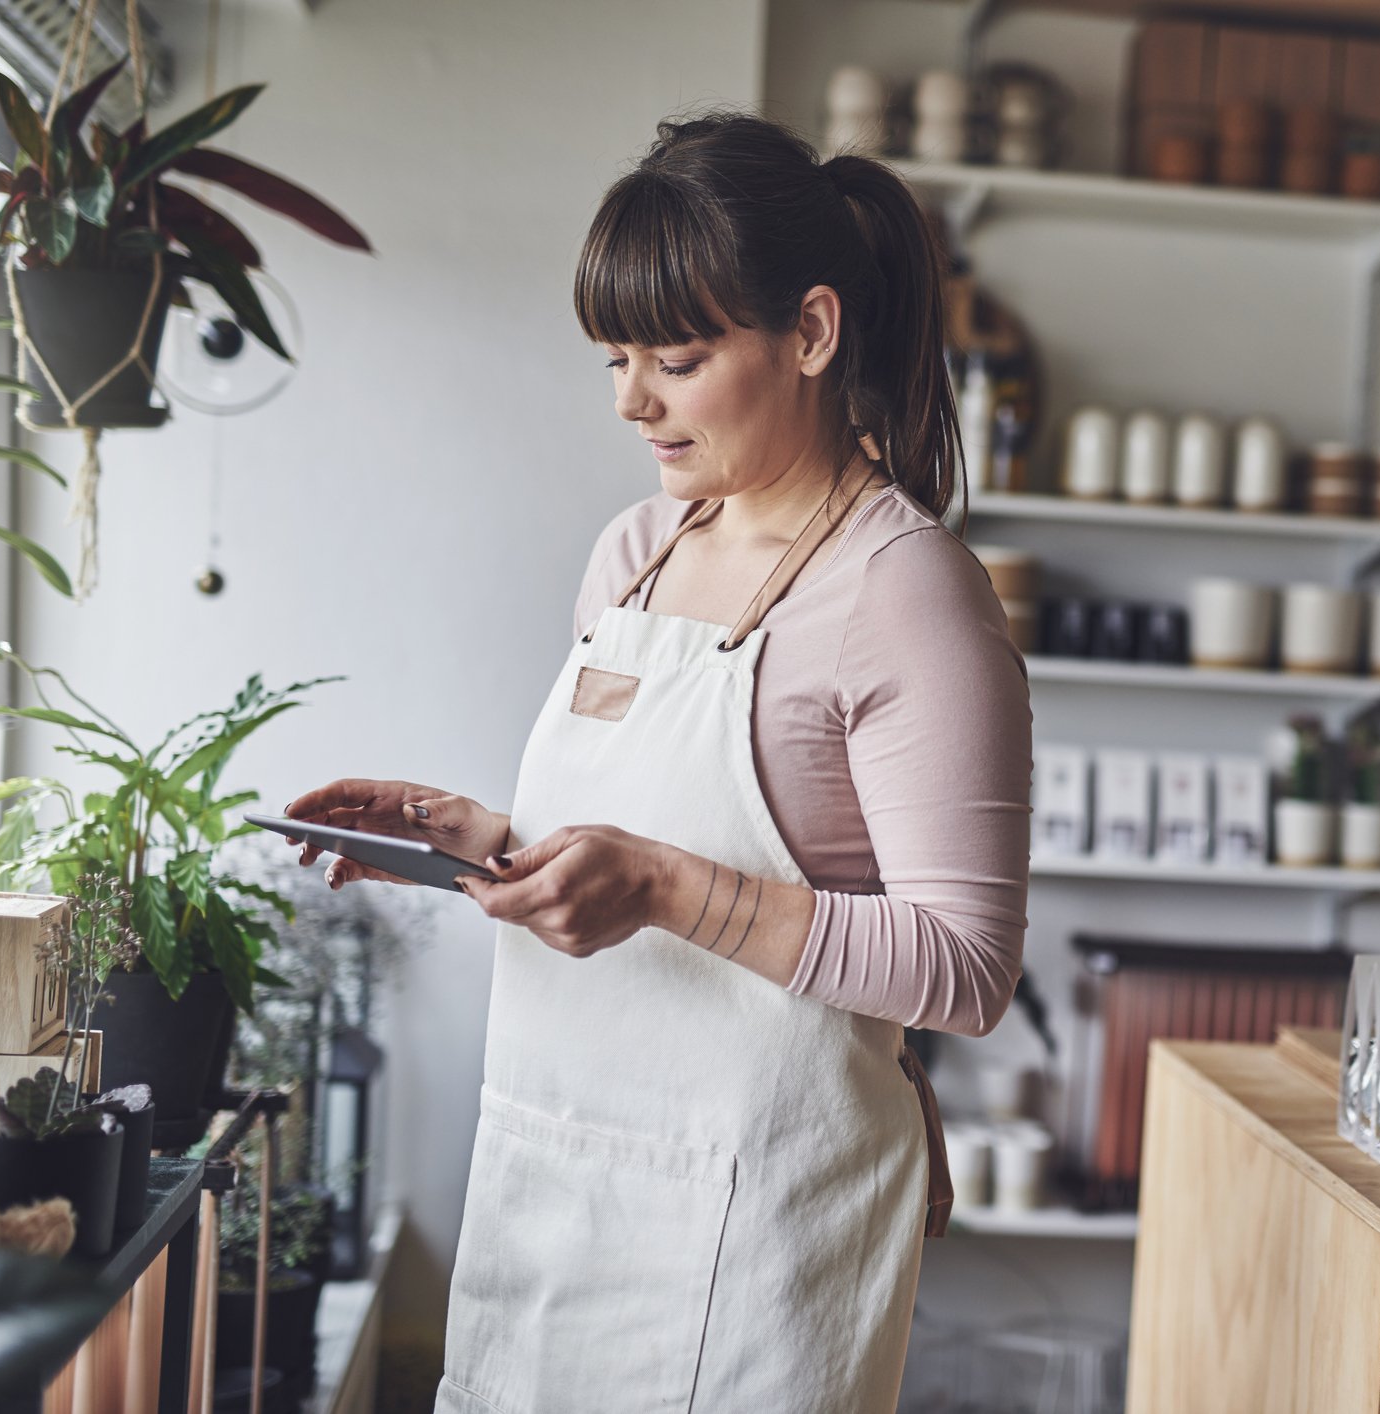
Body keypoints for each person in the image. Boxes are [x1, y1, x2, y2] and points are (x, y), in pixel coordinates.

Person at [284, 111, 1032, 1412]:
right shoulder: (637, 549)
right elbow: (637, 852)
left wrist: (668, 888)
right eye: (616, 357)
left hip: (760, 1234)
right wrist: (482, 841)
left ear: (810, 333)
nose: (632, 400)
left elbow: (963, 970)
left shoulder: (905, 590)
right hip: (553, 1187)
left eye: (676, 358)